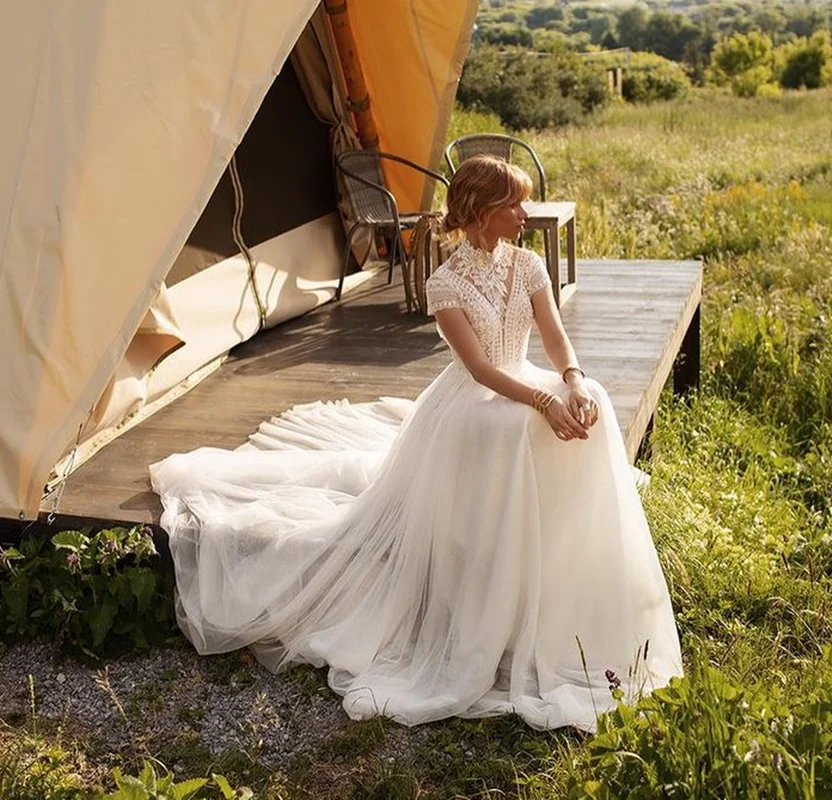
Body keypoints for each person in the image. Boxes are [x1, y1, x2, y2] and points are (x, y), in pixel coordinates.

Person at [150, 155, 683, 733]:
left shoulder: (528, 264)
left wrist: (573, 382)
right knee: (518, 426)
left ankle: (569, 557)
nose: (525, 214)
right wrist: (543, 401)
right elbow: (478, 370)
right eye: (514, 205)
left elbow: (554, 338)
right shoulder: (445, 283)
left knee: (597, 401)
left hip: (523, 378)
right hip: (474, 403)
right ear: (482, 213)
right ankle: (500, 576)